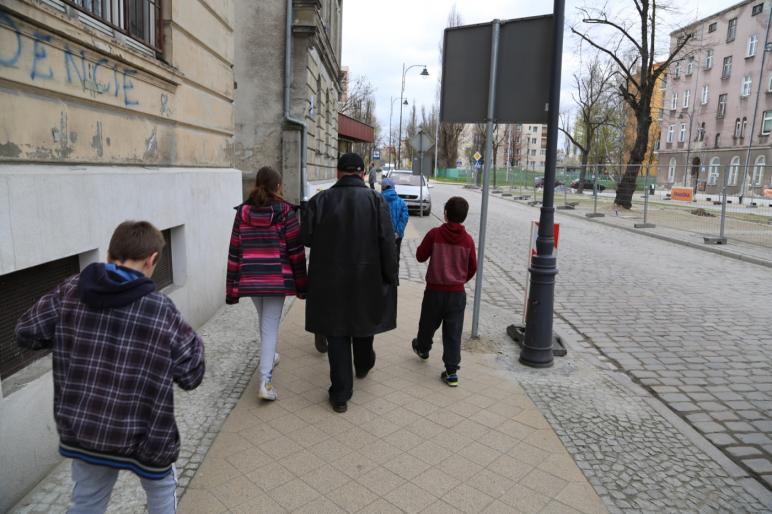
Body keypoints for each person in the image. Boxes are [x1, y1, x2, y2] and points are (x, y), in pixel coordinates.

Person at [15, 221, 205, 514]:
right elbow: (192, 374)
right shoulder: (159, 308)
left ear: (109, 253)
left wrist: (70, 339)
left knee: (87, 502)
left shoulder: (70, 290)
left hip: (86, 430)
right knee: (161, 492)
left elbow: (26, 332)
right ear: (152, 259)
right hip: (147, 434)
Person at [302, 152, 398, 413]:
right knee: (363, 323)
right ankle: (364, 365)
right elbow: (387, 243)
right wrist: (391, 276)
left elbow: (306, 238)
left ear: (338, 172)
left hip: (329, 280)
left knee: (336, 333)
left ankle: (340, 395)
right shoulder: (376, 200)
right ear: (363, 173)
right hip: (367, 278)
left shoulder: (320, 200)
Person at [226, 166, 308, 401]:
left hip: (250, 279)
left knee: (265, 322)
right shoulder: (285, 213)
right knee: (269, 325)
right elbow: (296, 252)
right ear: (278, 186)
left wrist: (232, 287)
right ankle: (265, 381)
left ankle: (269, 356)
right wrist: (302, 285)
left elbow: (234, 250)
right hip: (275, 280)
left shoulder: (242, 213)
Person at [411, 196, 477, 387]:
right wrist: (460, 280)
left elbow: (420, 256)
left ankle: (423, 349)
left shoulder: (434, 234)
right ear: (464, 216)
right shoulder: (468, 241)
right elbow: (472, 267)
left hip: (434, 291)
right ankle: (452, 372)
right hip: (457, 294)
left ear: (446, 213)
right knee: (453, 332)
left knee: (427, 324)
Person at [381, 177, 409, 258]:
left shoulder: (377, 201)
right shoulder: (401, 202)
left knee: (382, 257)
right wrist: (397, 233)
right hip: (397, 237)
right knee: (395, 256)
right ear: (393, 188)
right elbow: (404, 218)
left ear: (382, 188)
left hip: (382, 236)